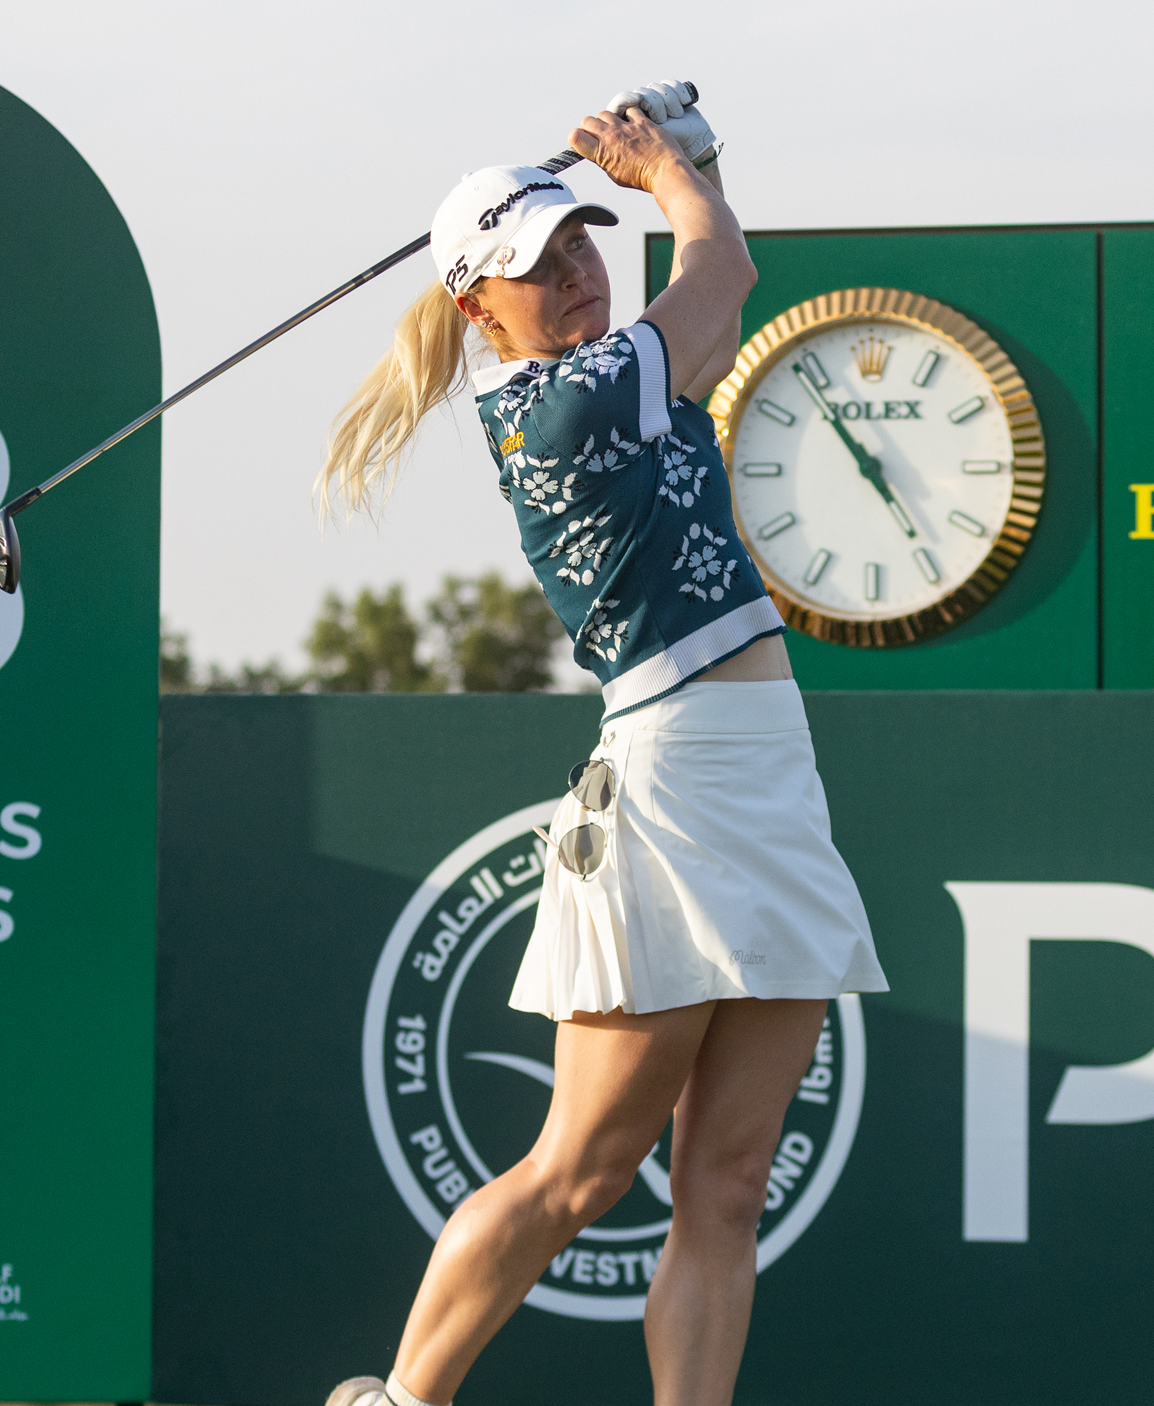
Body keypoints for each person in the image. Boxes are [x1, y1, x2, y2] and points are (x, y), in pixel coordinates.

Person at [316, 80, 887, 1406]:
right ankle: (401, 1399)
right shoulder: (561, 404)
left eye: (579, 241)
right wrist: (659, 166)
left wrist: (683, 161)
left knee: (728, 1188)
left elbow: (712, 274)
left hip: (767, 775)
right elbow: (724, 265)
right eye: (536, 265)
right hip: (672, 778)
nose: (573, 272)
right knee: (580, 1168)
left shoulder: (630, 376)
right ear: (481, 307)